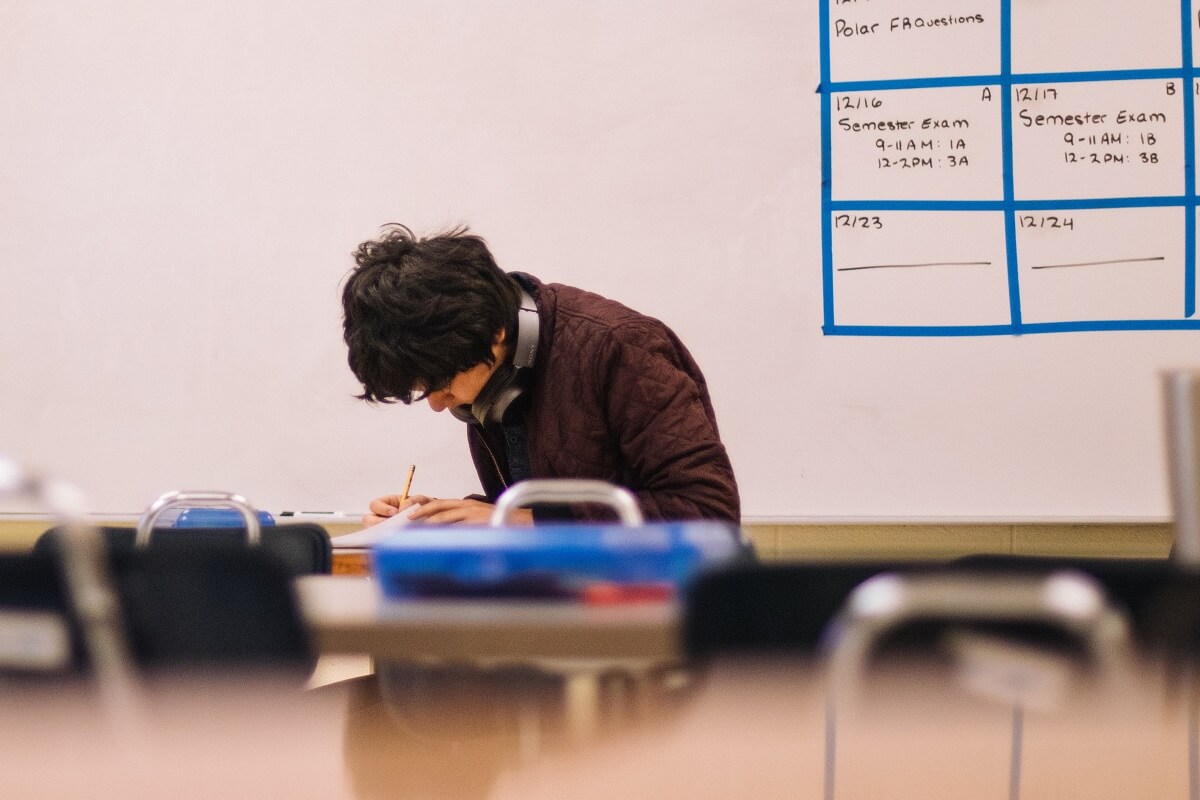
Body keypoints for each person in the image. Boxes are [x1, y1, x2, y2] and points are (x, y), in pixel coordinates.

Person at [341, 224, 739, 526]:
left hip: (647, 617)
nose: (437, 405)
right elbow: (544, 506)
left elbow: (708, 512)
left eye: (441, 385)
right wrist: (443, 520)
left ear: (494, 334)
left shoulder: (622, 346)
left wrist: (519, 523)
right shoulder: (495, 370)